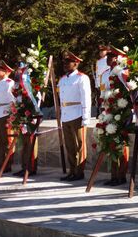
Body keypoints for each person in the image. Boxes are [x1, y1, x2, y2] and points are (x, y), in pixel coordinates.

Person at [58, 51, 91, 181]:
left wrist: (86, 117)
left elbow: (86, 98)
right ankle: (72, 171)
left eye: (68, 62)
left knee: (80, 144)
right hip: (66, 115)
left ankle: (79, 172)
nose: (65, 65)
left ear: (76, 64)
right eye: (64, 62)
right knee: (69, 145)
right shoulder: (62, 79)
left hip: (77, 113)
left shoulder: (81, 78)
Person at [100, 45, 130, 186]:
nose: (108, 59)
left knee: (121, 142)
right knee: (110, 142)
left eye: (111, 57)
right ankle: (113, 175)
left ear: (118, 58)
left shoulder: (123, 72)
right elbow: (102, 93)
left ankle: (121, 175)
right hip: (108, 111)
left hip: (121, 111)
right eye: (107, 57)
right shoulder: (105, 73)